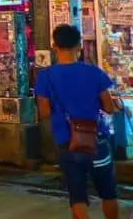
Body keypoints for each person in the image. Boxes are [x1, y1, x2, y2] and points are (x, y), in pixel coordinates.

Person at [36, 24, 120, 219]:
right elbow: (108, 107)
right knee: (108, 193)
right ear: (79, 46)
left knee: (77, 197)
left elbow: (45, 112)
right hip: (95, 141)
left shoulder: (45, 76)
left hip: (67, 142)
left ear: (54, 46)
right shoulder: (94, 72)